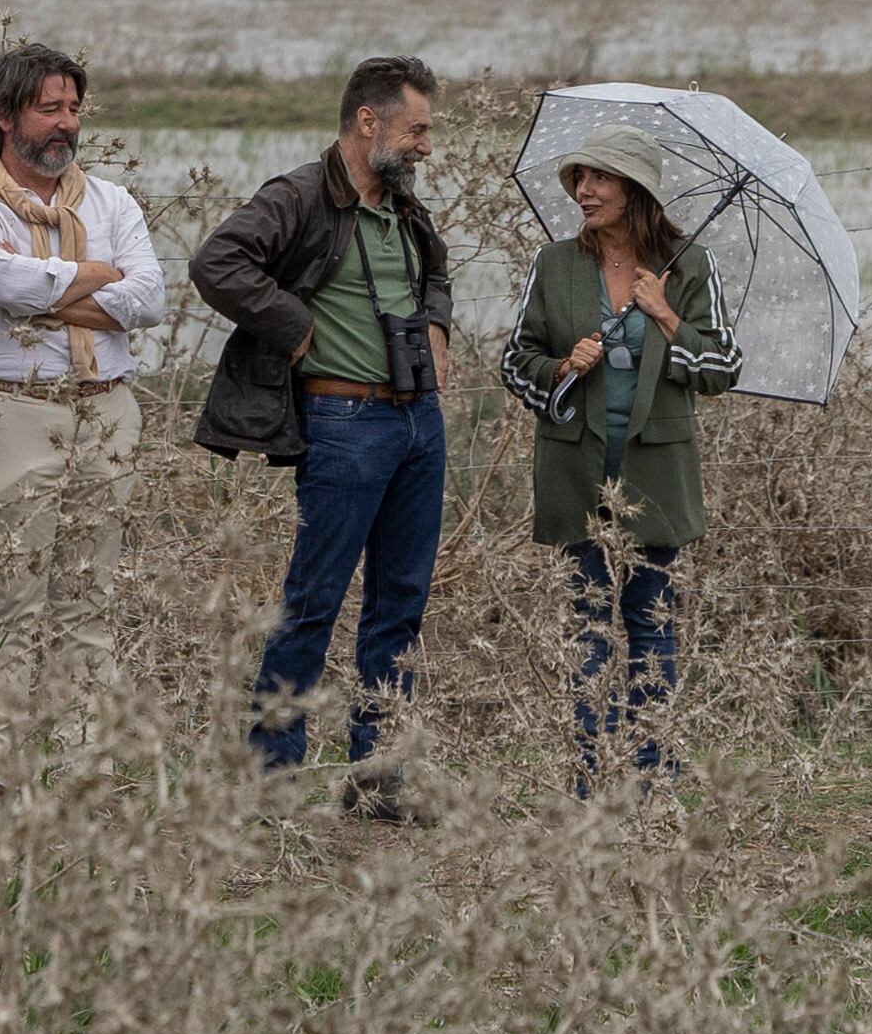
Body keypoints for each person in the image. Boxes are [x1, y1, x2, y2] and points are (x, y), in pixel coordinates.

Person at [193, 54, 456, 816]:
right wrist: (295, 328)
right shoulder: (300, 195)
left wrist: (436, 325)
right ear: (367, 122)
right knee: (311, 603)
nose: (425, 146)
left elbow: (436, 273)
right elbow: (216, 261)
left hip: (418, 423)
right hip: (343, 425)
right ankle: (269, 783)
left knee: (401, 604)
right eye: (417, 129)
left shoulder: (406, 207)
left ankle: (378, 783)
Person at [0, 43, 170, 763]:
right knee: (12, 601)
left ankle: (78, 763)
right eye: (49, 108)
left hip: (107, 408)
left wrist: (53, 295)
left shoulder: (110, 200)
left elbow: (150, 297)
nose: (67, 123)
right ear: (5, 116)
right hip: (12, 410)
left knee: (88, 599)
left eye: (73, 107)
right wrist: (97, 277)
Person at [500, 131, 743, 794]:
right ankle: (588, 772)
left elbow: (721, 369)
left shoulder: (689, 268)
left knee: (649, 621)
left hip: (655, 475)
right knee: (585, 626)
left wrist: (666, 316)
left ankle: (649, 769)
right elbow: (512, 364)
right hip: (574, 472)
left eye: (601, 179)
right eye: (580, 178)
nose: (585, 191)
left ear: (636, 191)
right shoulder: (554, 265)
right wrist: (561, 367)